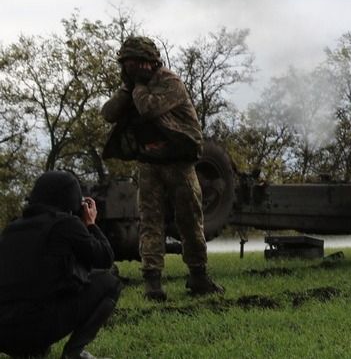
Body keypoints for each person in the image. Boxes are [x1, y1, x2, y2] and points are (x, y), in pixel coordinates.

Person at [99, 35, 222, 301]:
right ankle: (152, 283)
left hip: (178, 162)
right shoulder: (133, 87)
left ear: (150, 63)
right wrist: (126, 89)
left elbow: (148, 109)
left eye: (136, 63)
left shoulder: (169, 82)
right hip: (150, 164)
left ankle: (198, 276)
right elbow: (108, 113)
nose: (131, 68)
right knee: (150, 223)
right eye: (127, 63)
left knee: (190, 220)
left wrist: (138, 86)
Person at [0, 171, 121, 359]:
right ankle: (73, 354)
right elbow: (105, 258)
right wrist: (90, 224)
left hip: (4, 333)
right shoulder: (65, 224)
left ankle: (29, 352)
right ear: (71, 199)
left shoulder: (11, 228)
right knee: (110, 282)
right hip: (36, 326)